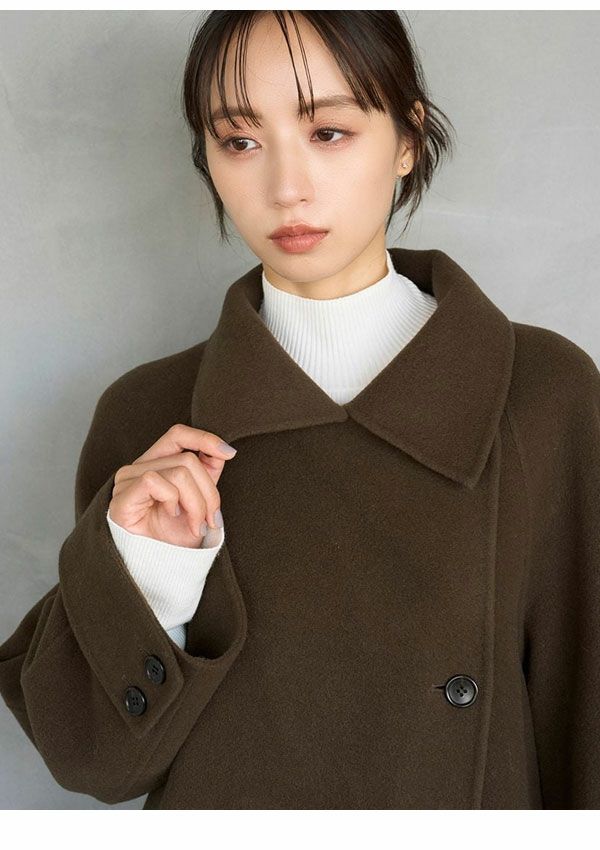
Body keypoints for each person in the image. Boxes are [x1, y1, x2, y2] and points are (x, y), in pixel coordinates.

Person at [1, 10, 599, 810]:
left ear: (408, 137)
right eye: (240, 141)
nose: (285, 187)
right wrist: (152, 577)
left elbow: (583, 725)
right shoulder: (147, 413)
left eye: (328, 132)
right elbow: (98, 767)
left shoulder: (543, 394)